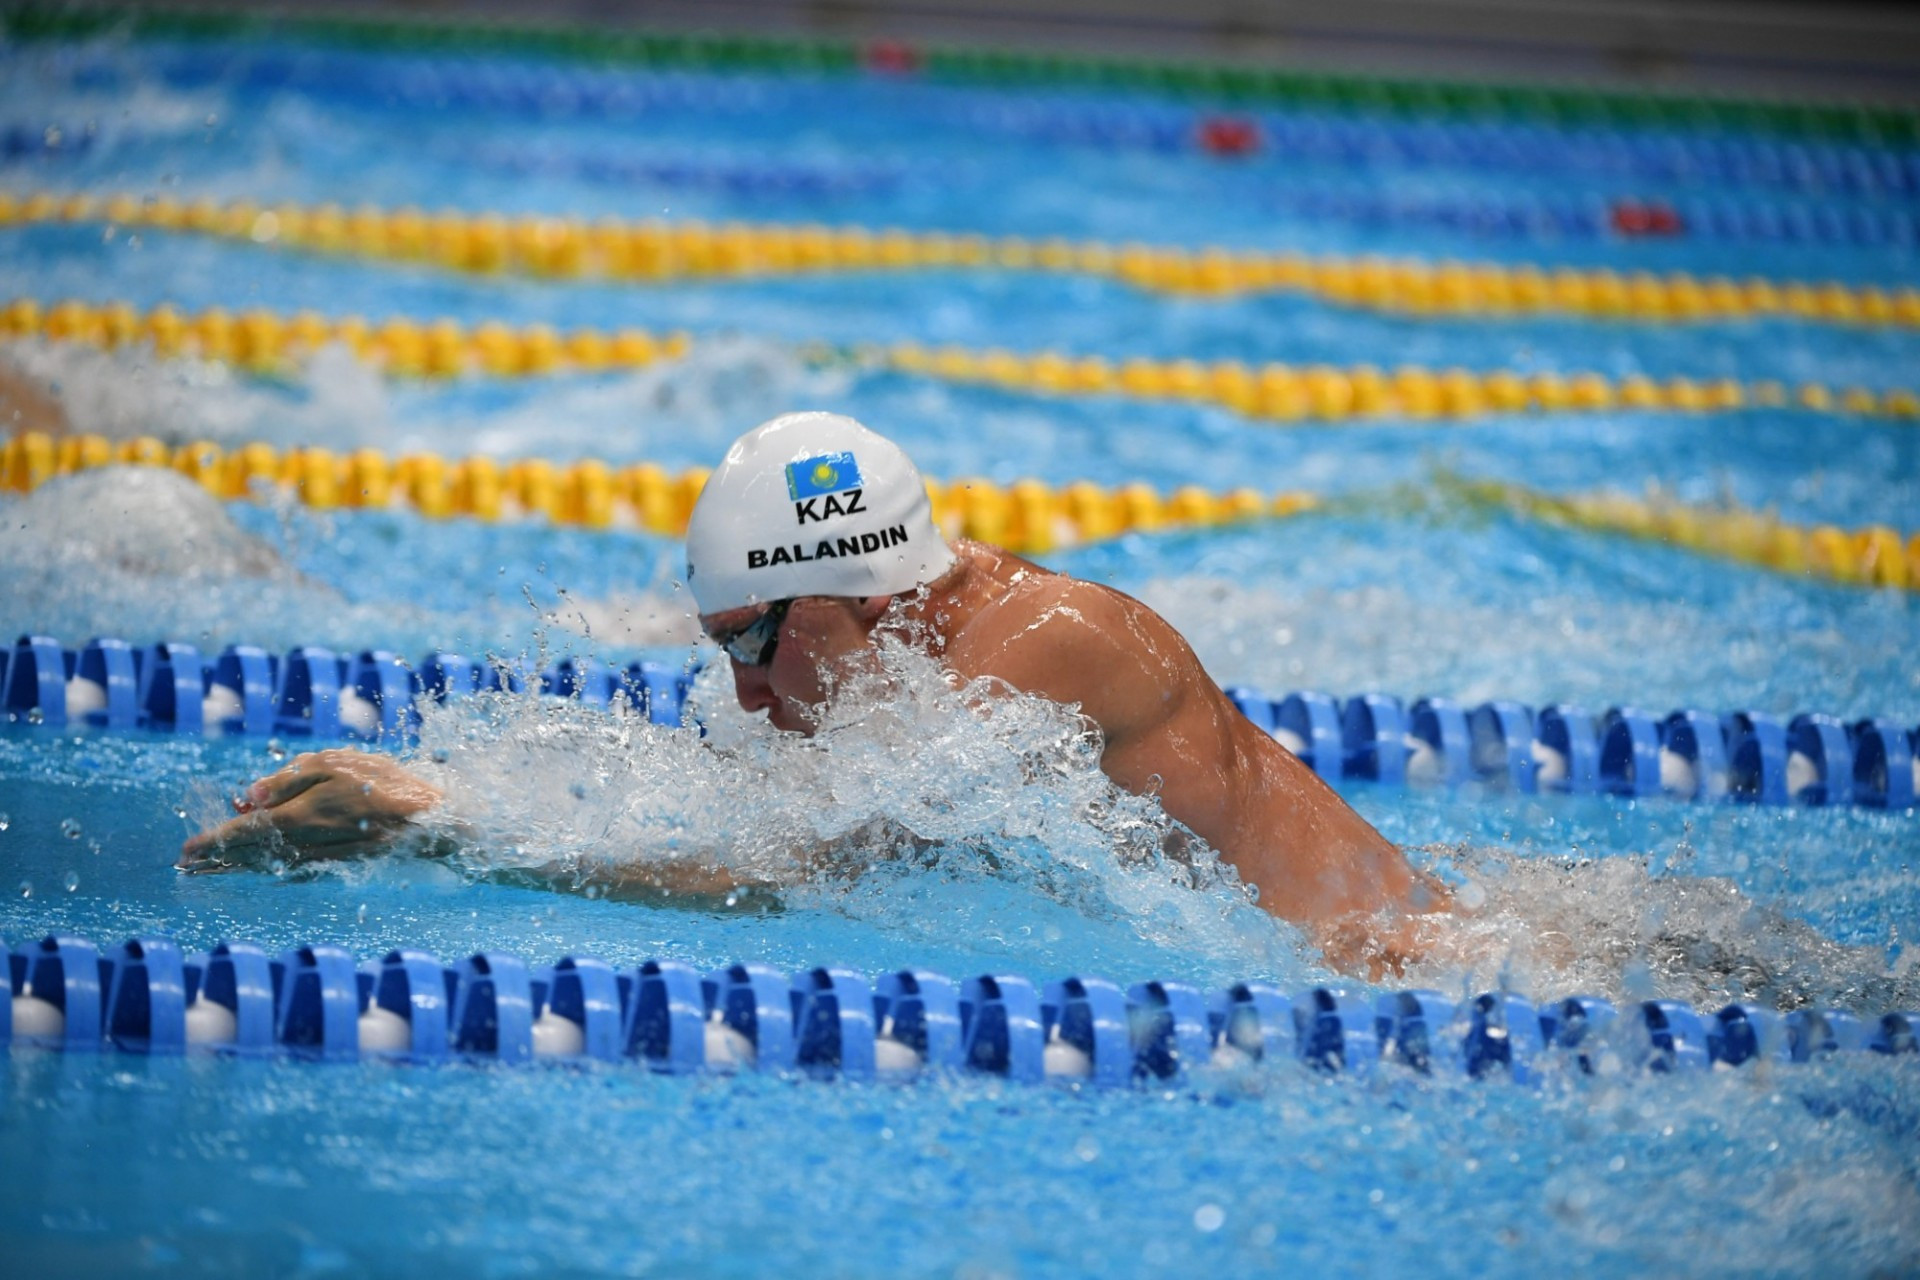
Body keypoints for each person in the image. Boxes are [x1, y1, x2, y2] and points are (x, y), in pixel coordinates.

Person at [180, 412, 1447, 973]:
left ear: (869, 598)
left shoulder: (1048, 646)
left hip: (1415, 987)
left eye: (756, 642)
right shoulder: (901, 649)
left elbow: (798, 868)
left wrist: (446, 822)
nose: (742, 696)